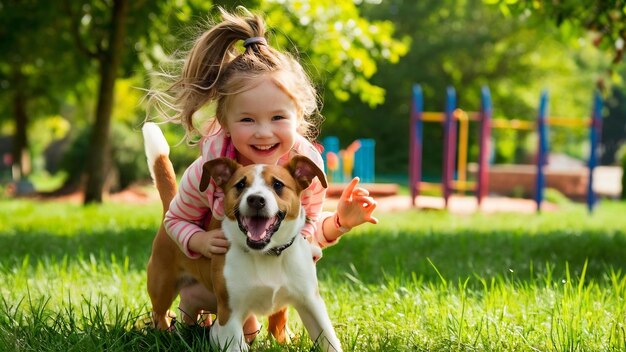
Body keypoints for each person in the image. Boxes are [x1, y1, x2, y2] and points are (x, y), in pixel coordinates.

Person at [149, 7, 378, 343]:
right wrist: (198, 241)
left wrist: (339, 223)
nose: (263, 133)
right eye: (247, 120)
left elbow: (305, 233)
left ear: (298, 116)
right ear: (225, 123)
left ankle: (244, 318)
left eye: (277, 118)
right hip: (211, 254)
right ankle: (176, 312)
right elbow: (174, 219)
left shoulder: (303, 170)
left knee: (263, 301)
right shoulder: (209, 166)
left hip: (264, 257)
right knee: (215, 305)